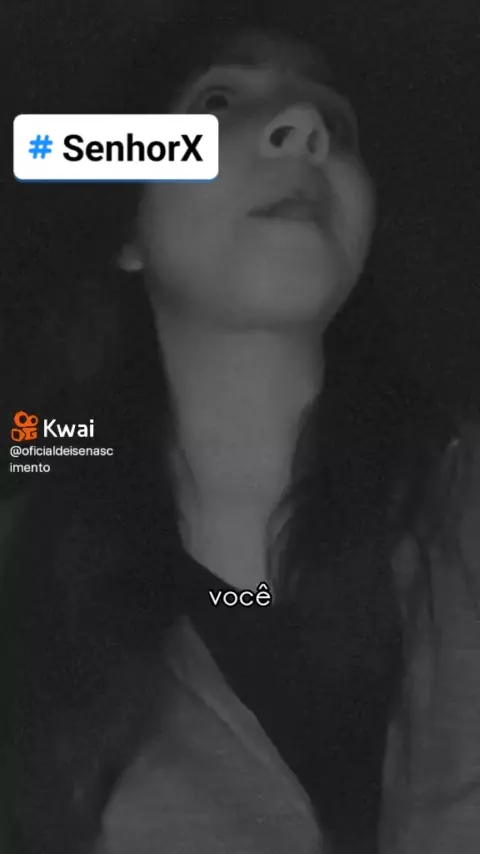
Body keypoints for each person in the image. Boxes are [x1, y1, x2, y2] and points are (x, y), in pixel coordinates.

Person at [2, 5, 479, 854]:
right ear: (127, 226)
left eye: (335, 123)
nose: (304, 130)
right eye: (216, 104)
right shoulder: (22, 583)